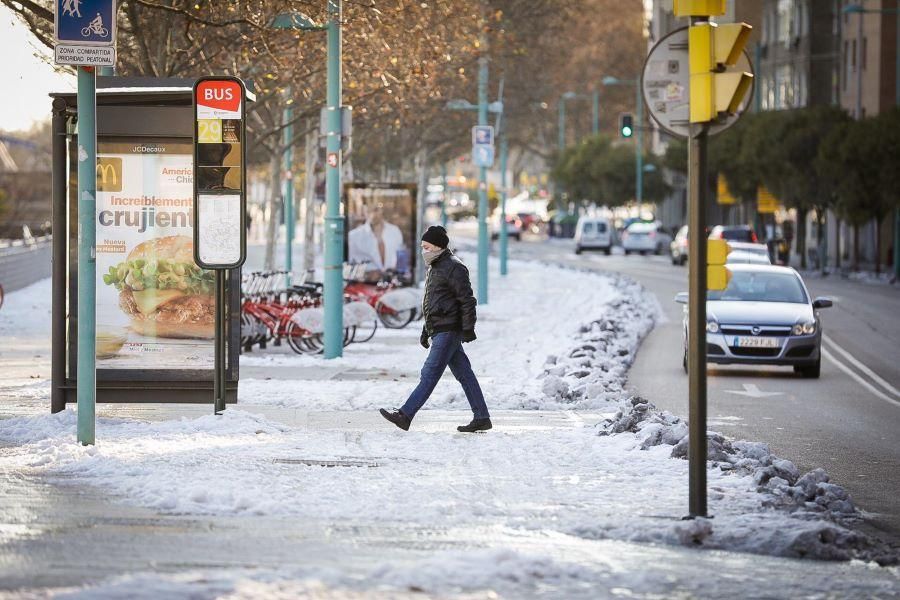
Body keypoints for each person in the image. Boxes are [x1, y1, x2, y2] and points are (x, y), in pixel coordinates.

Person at [380, 226, 492, 433]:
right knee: (465, 375)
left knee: (429, 373)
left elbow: (467, 300)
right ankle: (482, 417)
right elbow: (434, 302)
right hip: (440, 328)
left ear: (439, 246)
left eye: (427, 247)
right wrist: (426, 329)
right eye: (422, 247)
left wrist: (468, 328)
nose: (424, 251)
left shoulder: (453, 267)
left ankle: (405, 415)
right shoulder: (436, 265)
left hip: (449, 329)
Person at [347, 201, 405, 279]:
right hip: (366, 284)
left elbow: (401, 257)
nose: (373, 215)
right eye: (369, 211)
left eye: (376, 210)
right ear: (364, 212)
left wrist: (398, 273)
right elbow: (350, 265)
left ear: (382, 210)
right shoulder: (354, 236)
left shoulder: (395, 231)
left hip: (392, 282)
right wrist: (366, 273)